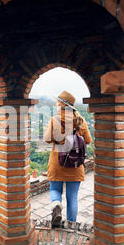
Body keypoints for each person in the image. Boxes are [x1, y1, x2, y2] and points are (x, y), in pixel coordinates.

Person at [44, 91, 92, 227]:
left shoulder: (55, 120)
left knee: (55, 190)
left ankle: (57, 208)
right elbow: (88, 140)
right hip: (75, 164)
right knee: (72, 198)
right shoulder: (81, 121)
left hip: (57, 163)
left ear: (61, 104)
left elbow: (47, 139)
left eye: (57, 102)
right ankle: (71, 226)